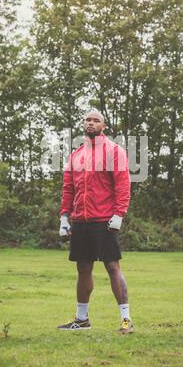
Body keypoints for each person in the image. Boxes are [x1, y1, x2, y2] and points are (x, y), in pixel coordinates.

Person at [57, 109, 133, 334]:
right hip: (80, 221)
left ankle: (126, 319)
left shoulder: (114, 151)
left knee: (112, 267)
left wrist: (119, 214)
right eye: (87, 120)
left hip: (105, 221)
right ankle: (81, 320)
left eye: (95, 120)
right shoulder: (76, 155)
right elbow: (68, 188)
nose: (90, 123)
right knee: (83, 268)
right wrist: (64, 216)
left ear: (104, 126)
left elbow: (123, 185)